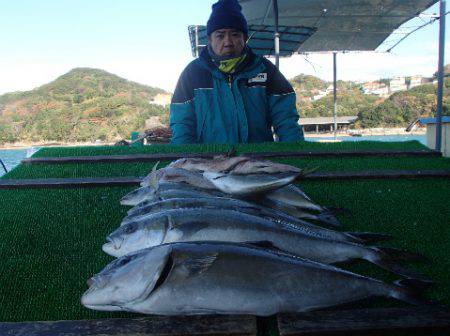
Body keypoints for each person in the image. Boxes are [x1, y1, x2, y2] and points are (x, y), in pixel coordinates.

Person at [170, 0, 304, 144]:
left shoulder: (266, 70)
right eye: (220, 36)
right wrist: (183, 159)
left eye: (234, 34)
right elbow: (182, 125)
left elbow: (287, 121)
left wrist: (296, 155)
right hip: (208, 162)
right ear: (209, 39)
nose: (228, 42)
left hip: (258, 161)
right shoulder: (192, 73)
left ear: (245, 38)